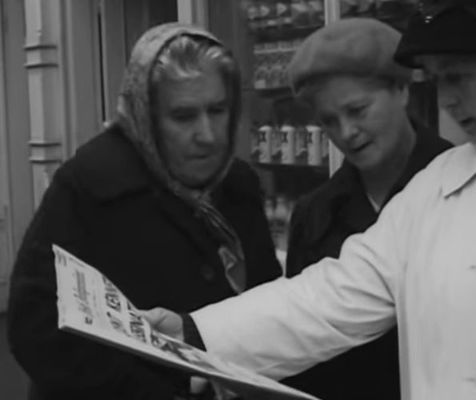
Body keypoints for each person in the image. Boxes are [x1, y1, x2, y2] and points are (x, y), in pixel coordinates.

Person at [146, 1, 476, 399]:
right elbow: (330, 297)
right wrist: (192, 332)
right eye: (439, 78)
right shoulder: (437, 184)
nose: (445, 98)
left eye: (458, 76)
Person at [7, 23, 281, 400]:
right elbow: (37, 327)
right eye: (184, 116)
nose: (208, 134)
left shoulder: (238, 185)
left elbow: (267, 300)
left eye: (218, 110)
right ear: (144, 115)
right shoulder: (90, 184)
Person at [281, 18, 450, 400]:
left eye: (357, 109)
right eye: (329, 121)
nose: (346, 132)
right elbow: (302, 351)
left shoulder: (463, 184)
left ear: (401, 89)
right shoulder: (314, 215)